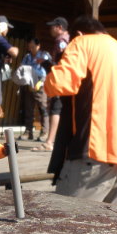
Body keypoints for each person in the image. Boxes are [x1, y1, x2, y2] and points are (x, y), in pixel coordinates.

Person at [43, 15, 117, 207]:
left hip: (95, 152)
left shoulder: (82, 43)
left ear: (79, 33)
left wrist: (50, 68)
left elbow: (57, 84)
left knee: (67, 219)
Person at [40, 16, 70, 151]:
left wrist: (47, 64)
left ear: (59, 27)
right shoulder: (68, 40)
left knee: (55, 109)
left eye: (52, 26)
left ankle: (49, 142)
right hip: (66, 80)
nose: (50, 29)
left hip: (60, 79)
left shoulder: (61, 41)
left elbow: (61, 62)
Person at [19, 37, 50, 144]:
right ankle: (28, 131)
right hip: (29, 83)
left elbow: (49, 69)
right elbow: (21, 68)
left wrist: (42, 82)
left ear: (38, 46)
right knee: (28, 108)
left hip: (41, 83)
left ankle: (44, 132)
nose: (31, 49)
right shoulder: (27, 57)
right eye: (30, 47)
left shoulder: (44, 55)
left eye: (33, 46)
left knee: (43, 108)